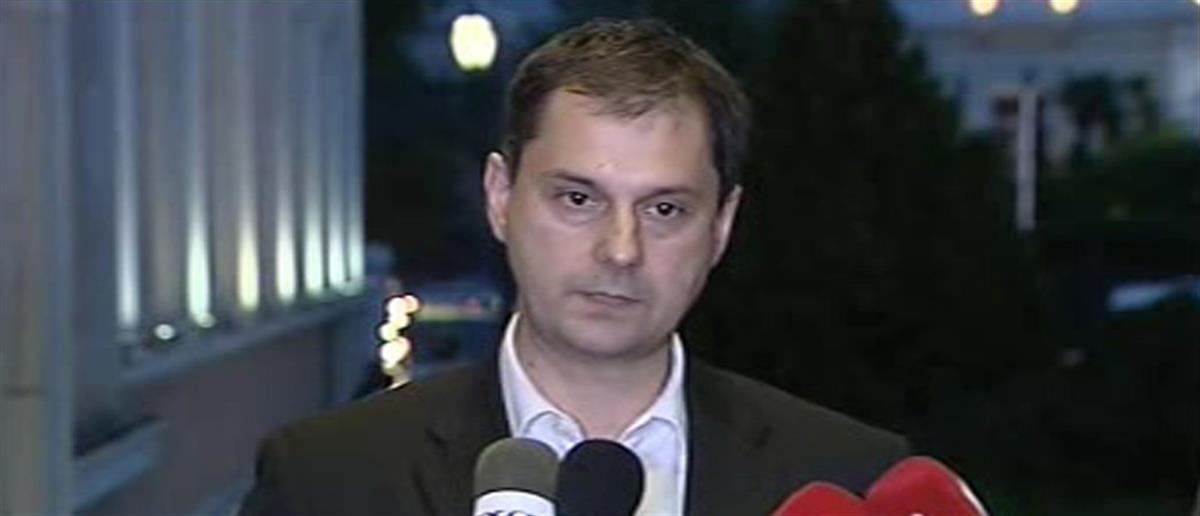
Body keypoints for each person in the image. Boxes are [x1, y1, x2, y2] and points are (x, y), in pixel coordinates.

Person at [239, 18, 908, 516]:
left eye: (665, 209)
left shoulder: (851, 478)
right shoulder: (326, 479)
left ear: (721, 225)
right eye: (578, 199)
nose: (621, 249)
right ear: (501, 198)